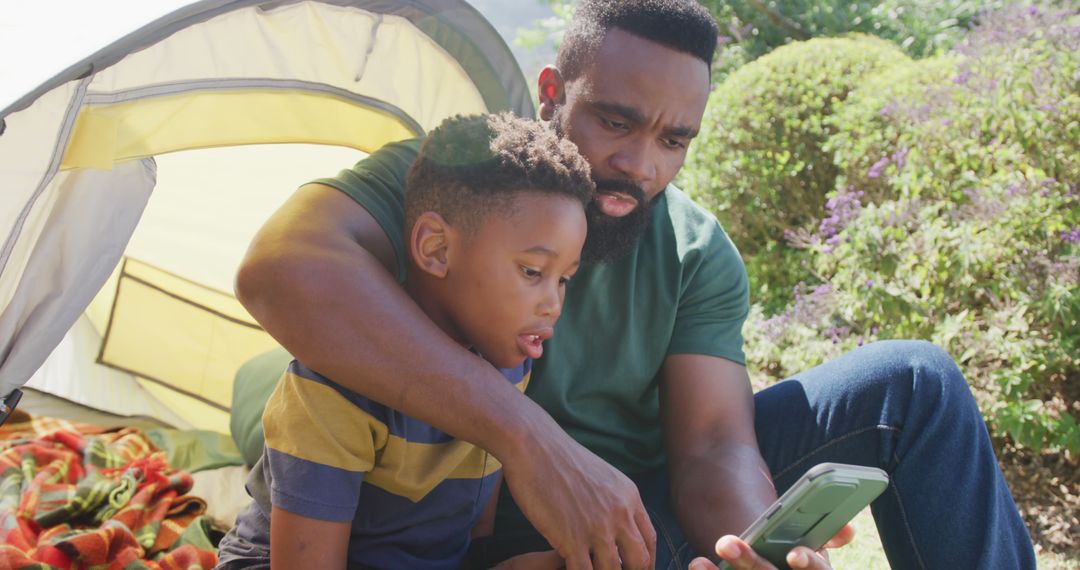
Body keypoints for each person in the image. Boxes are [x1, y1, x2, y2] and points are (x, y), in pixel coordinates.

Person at [235, 1, 1038, 569]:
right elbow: (280, 269)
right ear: (553, 93)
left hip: (633, 532)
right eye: (615, 122)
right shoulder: (458, 177)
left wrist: (747, 544)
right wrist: (528, 440)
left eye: (674, 139)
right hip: (461, 540)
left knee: (913, 383)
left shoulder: (695, 249)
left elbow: (714, 446)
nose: (640, 165)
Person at [216, 113, 593, 569]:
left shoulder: (511, 370)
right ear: (436, 248)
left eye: (565, 280)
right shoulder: (331, 392)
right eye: (533, 272)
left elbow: (470, 547)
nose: (553, 304)